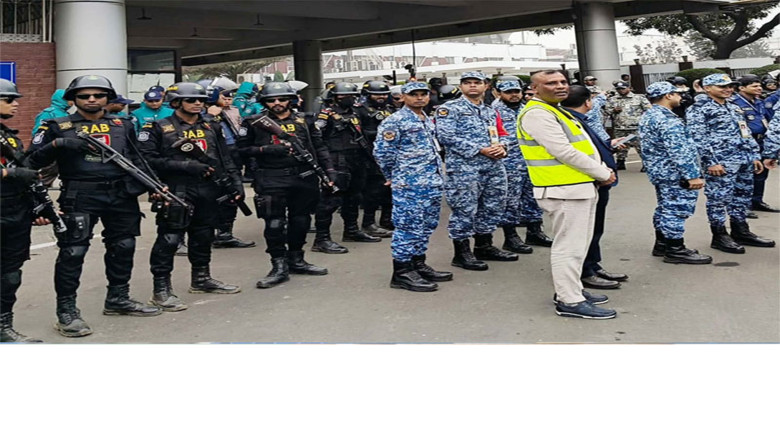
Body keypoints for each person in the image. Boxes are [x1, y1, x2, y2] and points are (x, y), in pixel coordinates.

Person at [27, 75, 162, 337]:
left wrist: (156, 186)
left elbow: (138, 158)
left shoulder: (123, 124)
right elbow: (29, 162)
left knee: (124, 246)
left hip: (121, 194)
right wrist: (59, 144)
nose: (92, 100)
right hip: (80, 194)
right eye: (84, 96)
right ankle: (66, 311)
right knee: (73, 252)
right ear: (73, 99)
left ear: (107, 98)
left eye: (98, 95)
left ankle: (118, 299)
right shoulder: (56, 125)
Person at [517, 70, 616, 319]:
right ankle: (569, 301)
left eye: (562, 81)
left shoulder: (554, 109)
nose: (560, 86)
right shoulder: (538, 113)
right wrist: (602, 173)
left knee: (579, 244)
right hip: (563, 189)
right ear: (535, 89)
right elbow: (563, 151)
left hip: (577, 186)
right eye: (551, 83)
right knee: (569, 247)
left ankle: (571, 290)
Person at [139, 82, 244, 311]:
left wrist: (235, 183)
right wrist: (185, 166)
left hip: (208, 188)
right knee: (170, 239)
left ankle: (201, 278)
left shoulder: (211, 125)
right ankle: (161, 289)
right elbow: (147, 161)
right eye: (192, 100)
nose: (198, 104)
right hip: (176, 189)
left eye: (201, 100)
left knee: (204, 234)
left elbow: (225, 157)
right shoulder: (158, 127)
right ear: (177, 103)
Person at [237, 82, 333, 288]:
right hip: (271, 177)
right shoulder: (254, 122)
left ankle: (297, 259)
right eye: (271, 100)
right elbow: (240, 151)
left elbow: (319, 146)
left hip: (304, 176)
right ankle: (278, 264)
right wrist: (266, 150)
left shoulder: (305, 119)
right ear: (264, 102)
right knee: (275, 223)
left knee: (301, 221)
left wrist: (329, 172)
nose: (277, 103)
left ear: (290, 100)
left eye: (282, 99)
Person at [435, 71, 518, 271]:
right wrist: (479, 149)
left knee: (492, 205)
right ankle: (462, 252)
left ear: (486, 86)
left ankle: (484, 245)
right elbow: (445, 136)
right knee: (464, 208)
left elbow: (504, 134)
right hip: (465, 168)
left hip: (493, 167)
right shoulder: (449, 109)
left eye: (477, 83)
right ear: (461, 86)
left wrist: (503, 147)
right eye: (467, 83)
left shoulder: (490, 111)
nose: (472, 86)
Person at [374, 81, 452, 292]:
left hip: (431, 182)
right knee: (408, 227)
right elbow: (383, 153)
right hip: (409, 183)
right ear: (403, 97)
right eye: (414, 94)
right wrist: (394, 175)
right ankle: (401, 272)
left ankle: (418, 264)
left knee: (426, 225)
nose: (419, 98)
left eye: (423, 94)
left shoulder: (427, 119)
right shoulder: (395, 121)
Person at [687, 74, 775, 253]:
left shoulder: (733, 107)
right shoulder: (700, 109)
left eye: (730, 86)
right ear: (708, 88)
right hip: (721, 163)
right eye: (722, 87)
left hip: (742, 160)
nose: (727, 89)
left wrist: (754, 156)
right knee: (718, 199)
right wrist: (710, 162)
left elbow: (745, 132)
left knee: (742, 196)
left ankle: (740, 230)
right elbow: (698, 138)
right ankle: (719, 235)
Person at [562, 85, 631, 289]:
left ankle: (593, 264)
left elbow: (590, 147)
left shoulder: (579, 120)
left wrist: (609, 144)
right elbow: (574, 154)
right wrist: (601, 173)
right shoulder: (569, 122)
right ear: (588, 102)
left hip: (597, 181)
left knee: (595, 229)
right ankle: (584, 272)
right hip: (587, 182)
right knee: (583, 232)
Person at [639, 82, 712, 264]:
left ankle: (662, 244)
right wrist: (692, 175)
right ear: (668, 96)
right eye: (677, 94)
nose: (681, 97)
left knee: (665, 207)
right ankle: (675, 249)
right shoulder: (667, 119)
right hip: (674, 173)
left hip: (661, 171)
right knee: (676, 210)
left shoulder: (650, 115)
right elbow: (679, 150)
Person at [312, 82, 381, 254]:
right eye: (344, 96)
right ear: (335, 97)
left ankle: (351, 230)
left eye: (352, 96)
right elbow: (317, 137)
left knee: (354, 197)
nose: (349, 99)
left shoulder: (356, 113)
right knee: (330, 201)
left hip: (357, 159)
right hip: (337, 160)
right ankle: (322, 239)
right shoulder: (326, 114)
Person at [0, 79, 44, 342]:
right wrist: (7, 172)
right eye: (9, 99)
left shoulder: (9, 136)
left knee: (11, 274)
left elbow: (27, 173)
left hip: (14, 212)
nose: (16, 104)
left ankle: (3, 326)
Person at [206, 79, 256, 248]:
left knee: (231, 196)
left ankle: (225, 234)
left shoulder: (222, 113)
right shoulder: (201, 117)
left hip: (227, 157)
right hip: (203, 165)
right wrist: (208, 116)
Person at [491, 80, 533, 255]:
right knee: (510, 201)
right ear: (499, 93)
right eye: (508, 92)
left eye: (516, 91)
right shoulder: (493, 111)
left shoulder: (529, 109)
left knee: (532, 197)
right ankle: (511, 236)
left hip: (531, 160)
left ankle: (535, 230)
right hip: (509, 163)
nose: (514, 95)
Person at [732, 74, 780, 213]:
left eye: (759, 85)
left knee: (761, 172)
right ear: (741, 88)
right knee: (746, 174)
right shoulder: (735, 103)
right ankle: (742, 206)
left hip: (761, 140)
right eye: (754, 86)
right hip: (745, 142)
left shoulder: (758, 101)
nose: (759, 88)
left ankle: (757, 201)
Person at [355, 80, 394, 238]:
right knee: (373, 191)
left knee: (389, 190)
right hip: (369, 155)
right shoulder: (360, 110)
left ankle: (387, 219)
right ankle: (368, 223)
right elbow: (360, 133)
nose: (381, 97)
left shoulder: (389, 109)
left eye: (384, 94)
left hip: (389, 155)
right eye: (377, 94)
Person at [605, 81, 652, 170]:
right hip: (620, 127)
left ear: (628, 88)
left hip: (635, 127)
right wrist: (613, 110)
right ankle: (620, 162)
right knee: (620, 146)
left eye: (623, 88)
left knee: (640, 146)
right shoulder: (613, 99)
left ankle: (646, 164)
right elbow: (607, 110)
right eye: (619, 89)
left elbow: (649, 109)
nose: (621, 91)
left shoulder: (638, 98)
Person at [31, 89, 71, 187]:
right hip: (50, 149)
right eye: (69, 98)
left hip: (63, 150)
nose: (72, 102)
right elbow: (38, 133)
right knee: (45, 175)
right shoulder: (48, 113)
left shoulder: (66, 114)